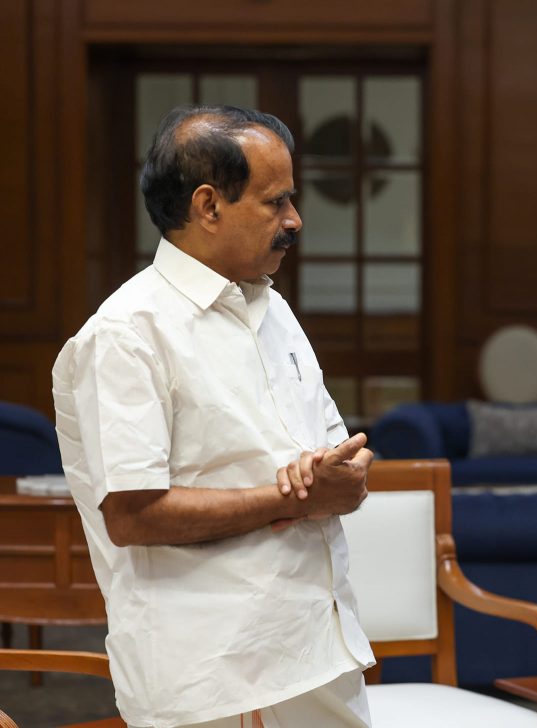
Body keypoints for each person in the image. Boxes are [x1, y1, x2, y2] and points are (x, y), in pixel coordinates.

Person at [52, 105, 376, 728]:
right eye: (276, 202)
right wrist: (294, 498)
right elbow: (132, 514)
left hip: (318, 644)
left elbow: (341, 452)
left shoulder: (273, 308)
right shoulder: (126, 333)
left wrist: (344, 474)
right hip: (211, 673)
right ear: (208, 206)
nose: (295, 220)